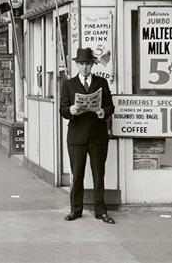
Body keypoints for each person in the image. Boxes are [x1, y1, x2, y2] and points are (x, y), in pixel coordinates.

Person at [59, 47, 116, 224]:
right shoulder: (68, 84)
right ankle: (76, 210)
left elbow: (110, 107)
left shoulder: (101, 83)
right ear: (77, 65)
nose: (85, 67)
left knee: (99, 175)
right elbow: (62, 109)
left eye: (88, 64)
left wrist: (102, 112)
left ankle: (101, 211)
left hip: (98, 136)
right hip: (76, 137)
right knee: (77, 175)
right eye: (81, 64)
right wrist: (71, 110)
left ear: (92, 65)